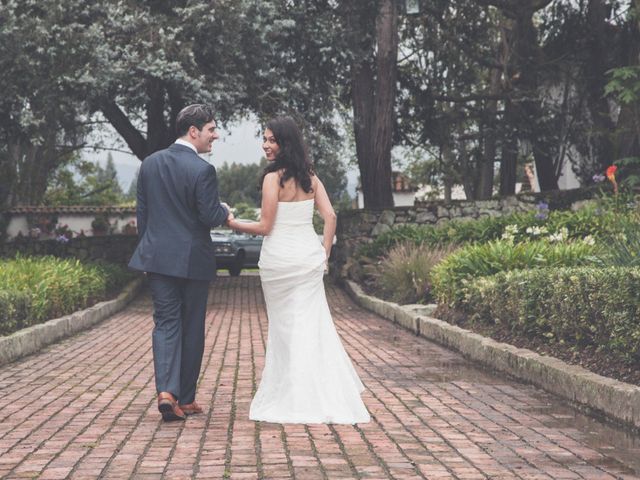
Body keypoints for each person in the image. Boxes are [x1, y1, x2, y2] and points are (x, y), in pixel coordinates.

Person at [228, 116, 370, 424]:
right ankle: (321, 392)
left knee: (285, 330)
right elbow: (330, 217)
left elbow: (266, 226)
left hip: (279, 260)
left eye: (271, 140)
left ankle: (294, 395)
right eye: (264, 139)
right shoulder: (310, 176)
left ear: (285, 142)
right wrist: (324, 254)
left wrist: (232, 222)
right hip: (307, 258)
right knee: (312, 324)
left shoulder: (271, 179)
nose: (265, 145)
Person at [129, 104, 232, 421]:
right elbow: (210, 216)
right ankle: (184, 397)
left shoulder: (149, 164)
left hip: (157, 258)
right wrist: (225, 209)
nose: (215, 136)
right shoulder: (203, 170)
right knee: (191, 327)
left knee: (165, 324)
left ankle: (166, 393)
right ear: (194, 131)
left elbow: (143, 216)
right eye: (211, 129)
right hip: (192, 261)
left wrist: (147, 253)